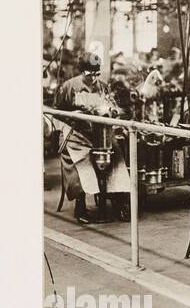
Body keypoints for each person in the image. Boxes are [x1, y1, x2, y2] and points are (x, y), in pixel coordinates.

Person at [53, 52, 133, 224]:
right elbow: (56, 113)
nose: (93, 78)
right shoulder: (68, 87)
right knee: (82, 165)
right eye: (89, 74)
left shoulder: (103, 87)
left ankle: (119, 204)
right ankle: (80, 208)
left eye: (96, 74)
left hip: (99, 135)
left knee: (117, 160)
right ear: (82, 71)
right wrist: (72, 115)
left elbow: (113, 107)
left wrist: (112, 112)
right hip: (75, 136)